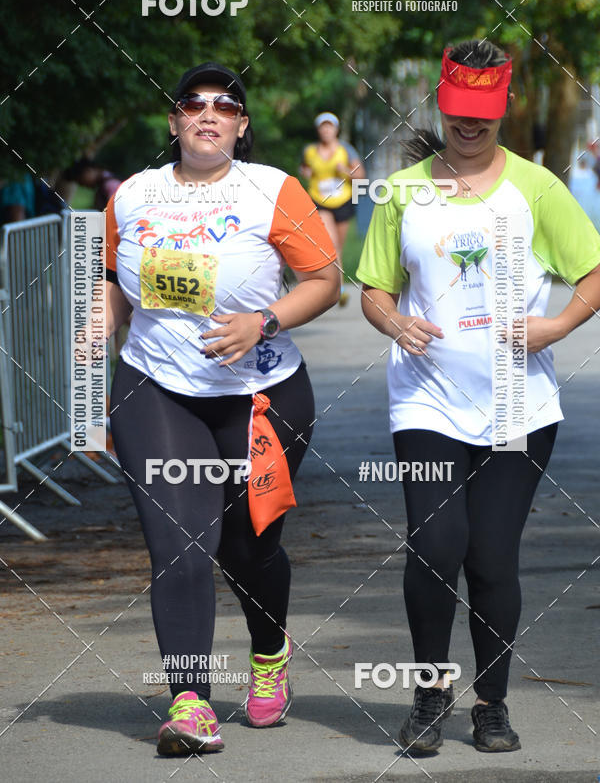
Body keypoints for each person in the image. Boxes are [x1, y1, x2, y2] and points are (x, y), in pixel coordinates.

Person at [357, 39, 600, 754]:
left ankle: (490, 704)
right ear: (441, 99)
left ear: (508, 105)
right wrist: (395, 321)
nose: (468, 124)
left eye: (482, 113)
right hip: (426, 400)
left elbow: (592, 271)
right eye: (457, 111)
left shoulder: (538, 189)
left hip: (517, 407)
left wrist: (555, 324)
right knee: (436, 546)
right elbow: (373, 289)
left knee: (492, 557)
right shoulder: (404, 191)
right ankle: (430, 694)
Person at [102, 62, 339, 756]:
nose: (208, 113)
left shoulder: (273, 190)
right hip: (156, 388)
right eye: (192, 103)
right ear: (174, 121)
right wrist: (98, 324)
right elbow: (114, 282)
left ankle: (269, 651)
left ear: (241, 124)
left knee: (247, 546)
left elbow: (324, 281)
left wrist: (261, 321)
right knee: (180, 543)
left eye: (224, 105)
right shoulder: (135, 193)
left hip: (261, 396)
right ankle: (190, 703)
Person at [300, 112, 365, 305]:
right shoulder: (310, 150)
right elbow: (303, 168)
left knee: (339, 248)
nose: (326, 130)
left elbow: (361, 175)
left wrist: (344, 170)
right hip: (320, 201)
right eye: (323, 127)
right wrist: (306, 172)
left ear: (335, 129)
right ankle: (339, 288)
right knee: (331, 243)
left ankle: (338, 284)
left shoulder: (346, 150)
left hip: (343, 201)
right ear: (319, 130)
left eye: (329, 126)